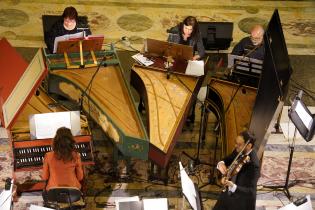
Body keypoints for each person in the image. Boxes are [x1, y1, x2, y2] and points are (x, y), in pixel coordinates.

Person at [213, 130, 260, 210]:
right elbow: (227, 159)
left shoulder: (254, 165)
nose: (235, 146)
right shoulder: (239, 150)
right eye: (236, 142)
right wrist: (221, 163)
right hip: (229, 193)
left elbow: (251, 192)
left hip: (241, 201)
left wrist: (233, 186)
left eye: (239, 144)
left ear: (249, 146)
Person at [42, 127, 84, 194]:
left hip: (53, 192)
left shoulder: (48, 156)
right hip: (72, 192)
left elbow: (44, 177)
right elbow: (80, 177)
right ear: (71, 140)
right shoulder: (76, 155)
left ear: (55, 140)